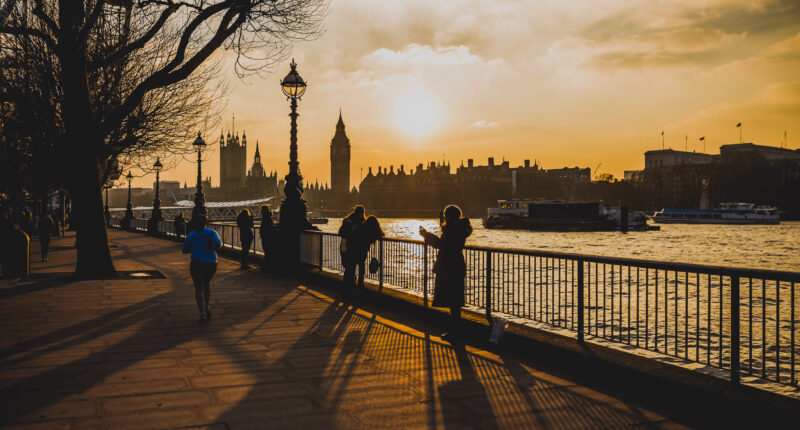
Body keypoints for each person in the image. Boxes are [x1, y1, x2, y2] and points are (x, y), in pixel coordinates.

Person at [419, 205, 472, 340]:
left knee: (453, 302)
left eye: (445, 216)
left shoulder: (453, 230)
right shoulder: (459, 228)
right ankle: (455, 331)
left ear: (449, 217)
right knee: (455, 302)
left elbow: (443, 245)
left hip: (450, 267)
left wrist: (427, 236)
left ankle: (455, 333)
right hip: (456, 266)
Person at [182, 215, 221, 322]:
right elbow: (218, 244)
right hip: (211, 262)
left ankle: (202, 313)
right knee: (206, 284)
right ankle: (207, 306)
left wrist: (195, 247)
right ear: (206, 223)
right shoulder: (212, 232)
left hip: (197, 262)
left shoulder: (191, 235)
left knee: (198, 288)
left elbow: (185, 250)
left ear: (194, 224)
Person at [339, 205, 366, 289]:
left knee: (350, 267)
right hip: (353, 248)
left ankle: (349, 284)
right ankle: (355, 284)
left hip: (348, 247)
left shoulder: (347, 220)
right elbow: (342, 232)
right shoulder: (361, 222)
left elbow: (340, 232)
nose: (361, 215)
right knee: (353, 266)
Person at [259, 205, 273, 271]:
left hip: (266, 237)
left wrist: (262, 233)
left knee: (266, 251)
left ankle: (267, 267)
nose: (260, 211)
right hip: (268, 236)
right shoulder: (268, 217)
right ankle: (267, 266)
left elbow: (265, 227)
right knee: (268, 251)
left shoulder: (265, 217)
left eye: (261, 210)